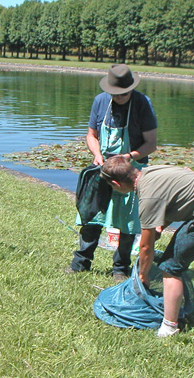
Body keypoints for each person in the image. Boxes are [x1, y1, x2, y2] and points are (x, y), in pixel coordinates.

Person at [100, 155, 194, 337]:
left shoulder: (147, 196)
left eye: (111, 186)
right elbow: (175, 196)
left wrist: (143, 276)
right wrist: (161, 226)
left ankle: (169, 326)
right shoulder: (151, 171)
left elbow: (145, 247)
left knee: (170, 267)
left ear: (116, 183)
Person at [67, 64, 157, 282]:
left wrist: (128, 157)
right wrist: (97, 154)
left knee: (127, 222)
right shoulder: (100, 101)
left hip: (131, 169)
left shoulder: (142, 103)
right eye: (115, 94)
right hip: (103, 167)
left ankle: (120, 268)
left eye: (123, 93)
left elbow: (151, 144)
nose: (119, 97)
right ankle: (81, 263)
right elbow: (91, 135)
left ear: (131, 89)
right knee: (91, 217)